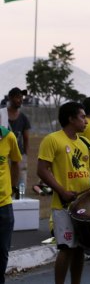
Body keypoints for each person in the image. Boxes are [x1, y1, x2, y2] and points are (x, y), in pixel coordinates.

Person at [37, 101, 90, 284]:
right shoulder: (52, 140)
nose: (86, 121)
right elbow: (42, 170)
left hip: (83, 206)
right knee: (66, 249)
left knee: (80, 249)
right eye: (82, 117)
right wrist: (62, 191)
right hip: (63, 206)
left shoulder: (85, 142)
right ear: (71, 119)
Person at [0, 123, 21, 284]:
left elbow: (15, 162)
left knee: (2, 251)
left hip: (4, 205)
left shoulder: (8, 137)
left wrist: (14, 186)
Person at [1, 88, 31, 197]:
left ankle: (19, 199)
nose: (20, 100)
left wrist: (25, 155)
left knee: (21, 181)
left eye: (21, 98)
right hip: (3, 154)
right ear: (10, 98)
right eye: (18, 97)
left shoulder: (23, 118)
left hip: (18, 154)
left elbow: (26, 138)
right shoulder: (2, 115)